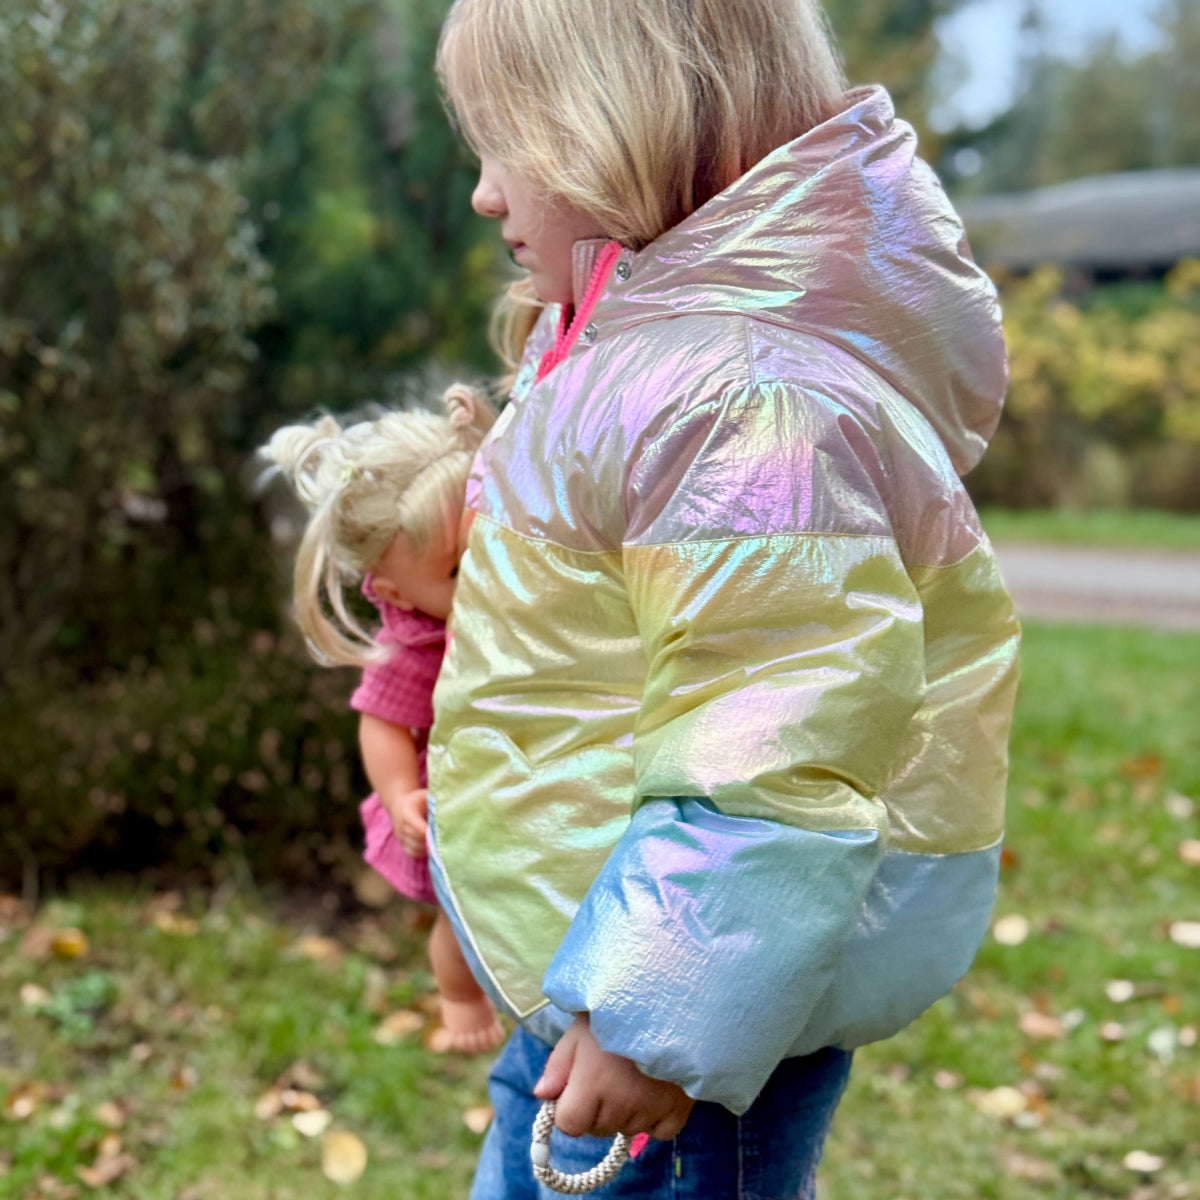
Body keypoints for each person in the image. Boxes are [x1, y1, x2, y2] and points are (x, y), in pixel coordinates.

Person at [429, 0, 1021, 1194]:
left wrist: (654, 1009)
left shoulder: (740, 398)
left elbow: (776, 721)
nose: (486, 193)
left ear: (613, 124)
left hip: (672, 1028)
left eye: (506, 142)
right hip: (599, 977)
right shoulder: (652, 352)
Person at [259, 385, 506, 1054]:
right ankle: (460, 995)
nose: (481, 574)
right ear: (397, 591)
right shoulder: (417, 645)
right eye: (455, 570)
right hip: (463, 794)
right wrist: (399, 795)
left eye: (486, 545)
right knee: (466, 914)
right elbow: (383, 721)